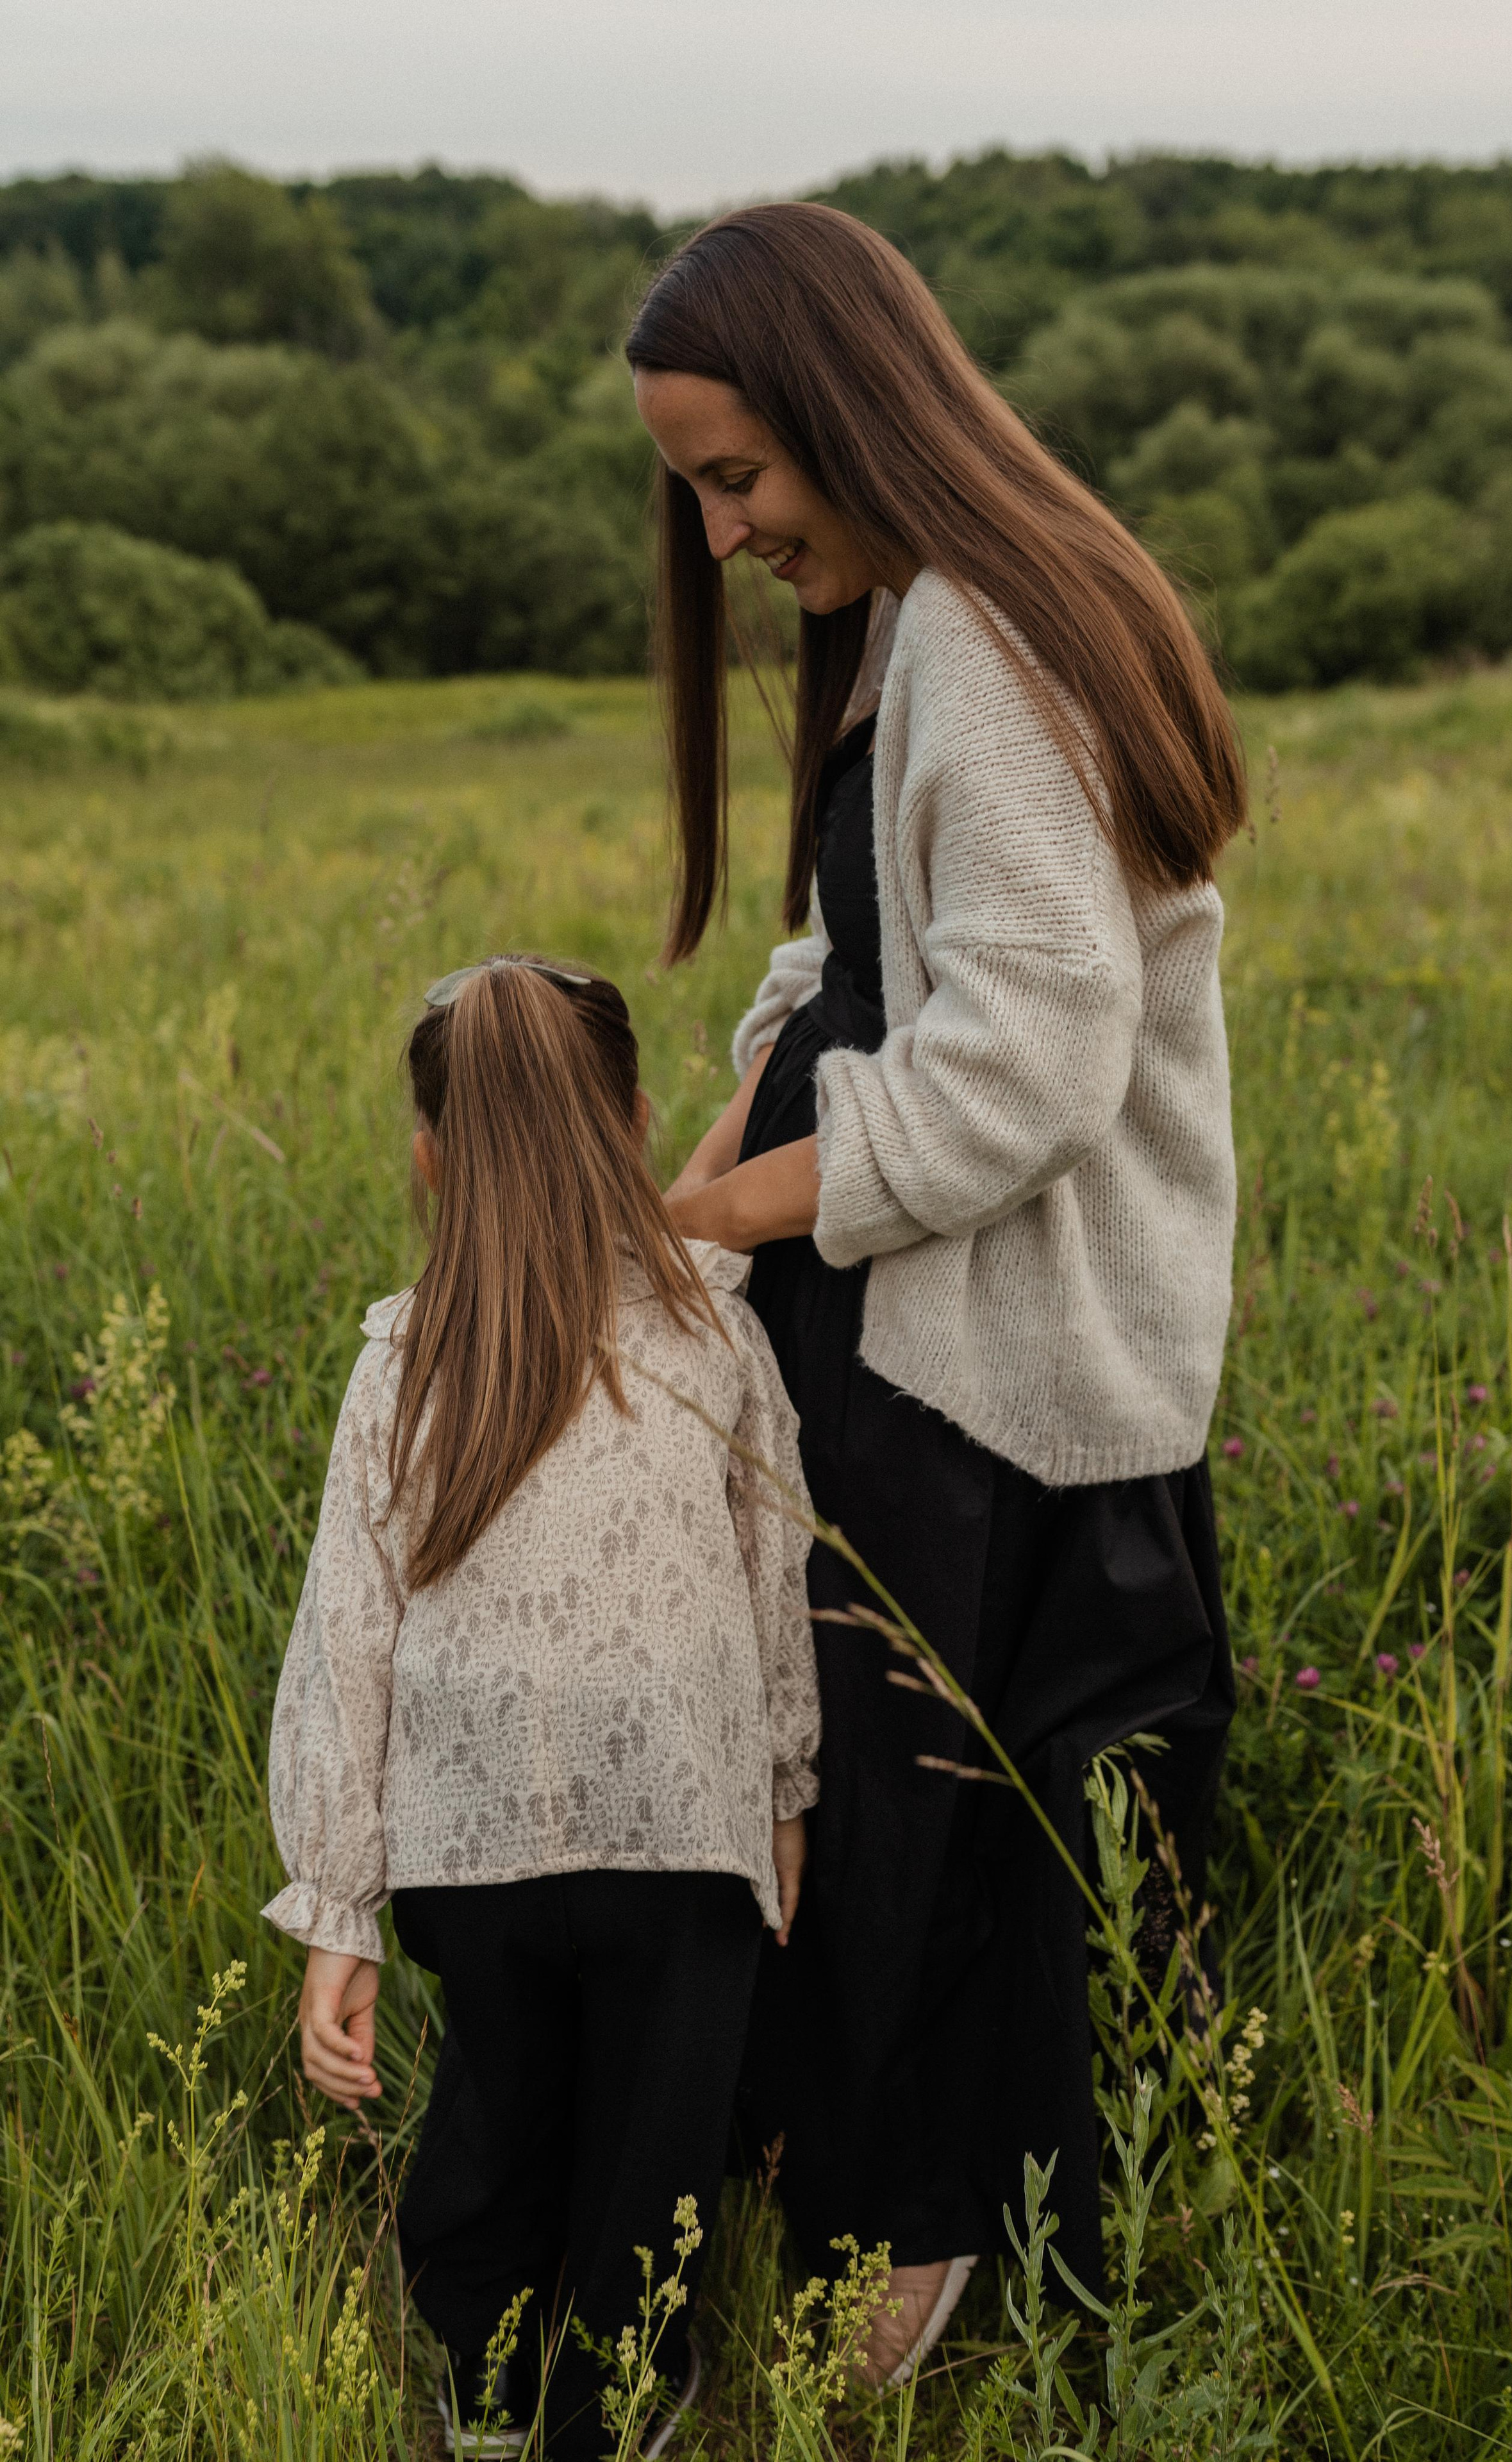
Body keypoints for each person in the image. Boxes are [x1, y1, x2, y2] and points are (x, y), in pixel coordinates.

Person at [627, 201, 1242, 2385]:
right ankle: (853, 2175)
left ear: (846, 406)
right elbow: (848, 962)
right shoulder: (919, 624)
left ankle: (930, 2238)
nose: (719, 542)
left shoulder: (994, 651)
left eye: (735, 480)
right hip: (910, 1319)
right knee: (867, 1780)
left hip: (992, 1354)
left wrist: (721, 1227)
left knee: (935, 1807)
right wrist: (693, 1170)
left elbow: (1026, 1066)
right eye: (697, 489)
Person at [262, 955, 818, 2459]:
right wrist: (783, 1794)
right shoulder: (713, 1330)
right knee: (658, 2140)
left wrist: (338, 1907)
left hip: (469, 1849)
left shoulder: (403, 1358)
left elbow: (346, 1636)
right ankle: (619, 2401)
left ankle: (491, 2389)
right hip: (679, 1830)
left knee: (493, 2112)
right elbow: (781, 1565)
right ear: (637, 1123)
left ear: (429, 1158)